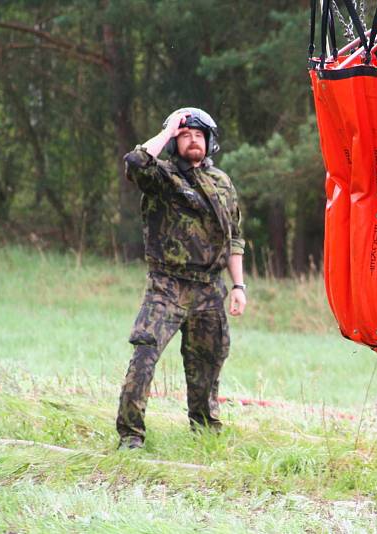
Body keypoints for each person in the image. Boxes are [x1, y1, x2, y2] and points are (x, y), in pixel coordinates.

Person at [116, 107, 247, 450]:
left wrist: (238, 286)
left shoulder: (221, 183)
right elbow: (134, 162)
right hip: (167, 285)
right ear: (175, 141)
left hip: (209, 289)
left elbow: (234, 237)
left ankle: (204, 434)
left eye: (198, 135)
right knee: (145, 352)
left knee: (208, 361)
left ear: (209, 142)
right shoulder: (161, 177)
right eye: (185, 135)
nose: (193, 141)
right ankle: (130, 435)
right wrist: (168, 129)